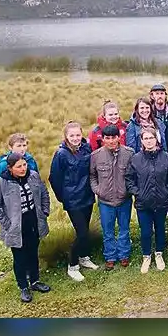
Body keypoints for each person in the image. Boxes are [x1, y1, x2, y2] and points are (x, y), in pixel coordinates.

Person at [0, 152, 52, 303]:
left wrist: (45, 212)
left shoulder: (34, 176)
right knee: (19, 258)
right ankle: (23, 286)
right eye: (19, 166)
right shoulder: (0, 183)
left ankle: (35, 281)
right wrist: (8, 225)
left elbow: (44, 194)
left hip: (34, 222)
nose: (23, 168)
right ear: (10, 168)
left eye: (24, 165)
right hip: (16, 227)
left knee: (33, 253)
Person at [49, 121, 99, 282]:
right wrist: (63, 198)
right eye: (72, 135)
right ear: (66, 136)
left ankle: (84, 257)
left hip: (87, 196)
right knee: (82, 233)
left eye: (78, 135)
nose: (76, 138)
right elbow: (54, 178)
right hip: (73, 200)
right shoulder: (61, 154)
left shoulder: (86, 148)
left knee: (85, 232)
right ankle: (72, 265)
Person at [125, 128, 168, 274]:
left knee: (160, 229)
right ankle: (146, 256)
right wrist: (138, 193)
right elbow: (129, 179)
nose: (149, 141)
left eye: (151, 138)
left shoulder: (166, 157)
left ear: (157, 139)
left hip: (161, 202)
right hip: (143, 203)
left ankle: (159, 253)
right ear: (141, 141)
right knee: (146, 232)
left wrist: (167, 192)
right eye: (145, 138)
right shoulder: (136, 158)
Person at [89, 124, 134, 270]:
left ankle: (124, 255)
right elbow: (92, 176)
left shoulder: (129, 153)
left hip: (124, 199)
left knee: (124, 229)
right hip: (105, 201)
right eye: (107, 138)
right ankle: (110, 257)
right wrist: (98, 190)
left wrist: (129, 190)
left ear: (118, 137)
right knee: (107, 230)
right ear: (103, 139)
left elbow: (134, 175)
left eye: (113, 137)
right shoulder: (95, 156)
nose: (110, 141)